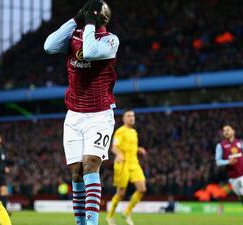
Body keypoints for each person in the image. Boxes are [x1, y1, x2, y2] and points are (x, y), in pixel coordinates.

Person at [44, 0, 119, 224]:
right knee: (76, 172)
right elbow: (48, 46)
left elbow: (89, 51)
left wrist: (87, 25)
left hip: (99, 115)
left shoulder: (110, 40)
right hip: (74, 115)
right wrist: (76, 20)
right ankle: (81, 222)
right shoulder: (74, 35)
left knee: (90, 164)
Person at [106, 109, 147, 225]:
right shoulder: (120, 131)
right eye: (129, 116)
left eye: (133, 116)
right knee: (121, 193)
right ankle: (110, 217)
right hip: (122, 164)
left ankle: (126, 212)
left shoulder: (134, 132)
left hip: (134, 163)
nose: (131, 118)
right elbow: (114, 147)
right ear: (124, 119)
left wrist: (139, 149)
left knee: (142, 189)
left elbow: (132, 148)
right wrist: (119, 154)